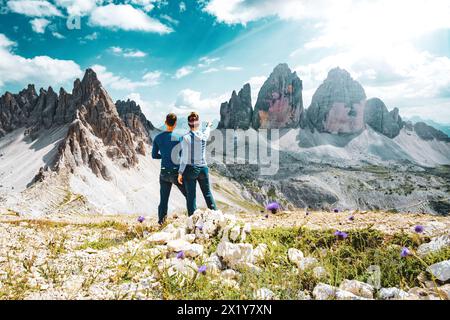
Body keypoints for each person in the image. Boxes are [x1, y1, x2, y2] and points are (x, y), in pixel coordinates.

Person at [178, 112, 217, 216]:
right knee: (207, 193)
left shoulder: (185, 137)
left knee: (191, 196)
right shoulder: (203, 136)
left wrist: (180, 172)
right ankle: (216, 216)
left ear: (188, 124)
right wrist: (208, 126)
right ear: (198, 123)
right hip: (203, 169)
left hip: (191, 169)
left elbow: (184, 157)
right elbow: (207, 132)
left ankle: (192, 220)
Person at [152, 113, 186, 225]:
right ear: (175, 124)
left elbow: (154, 155)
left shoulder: (157, 138)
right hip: (176, 173)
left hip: (163, 173)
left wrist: (164, 155)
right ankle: (194, 220)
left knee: (163, 200)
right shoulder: (179, 138)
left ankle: (161, 222)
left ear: (165, 122)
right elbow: (182, 155)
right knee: (189, 195)